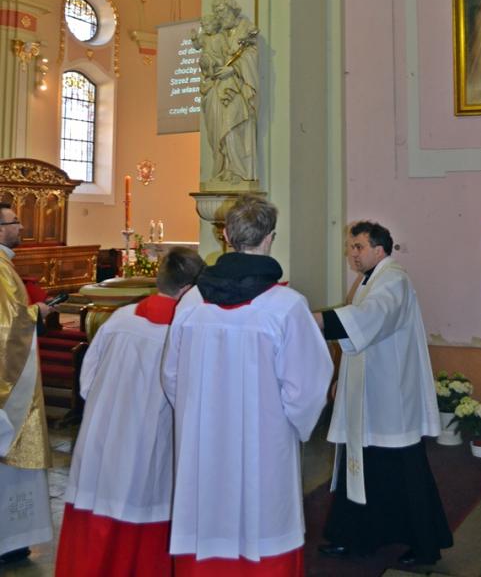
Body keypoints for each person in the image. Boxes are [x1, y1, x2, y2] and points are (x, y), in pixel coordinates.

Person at [162, 195, 334, 576]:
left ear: (225, 236)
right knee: (263, 524)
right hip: (263, 449)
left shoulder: (191, 303)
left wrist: (197, 416)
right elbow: (308, 388)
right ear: (270, 238)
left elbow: (171, 376)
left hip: (202, 448)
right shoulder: (287, 306)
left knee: (205, 521)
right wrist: (288, 427)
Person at [55, 246, 204, 577]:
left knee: (96, 520)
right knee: (143, 516)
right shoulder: (186, 332)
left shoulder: (120, 318)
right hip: (149, 444)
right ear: (189, 289)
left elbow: (87, 381)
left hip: (101, 437)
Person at [315, 220, 453, 567]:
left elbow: (370, 318)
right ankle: (352, 537)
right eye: (350, 246)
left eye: (358, 246)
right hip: (368, 395)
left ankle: (424, 546)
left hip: (391, 399)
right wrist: (342, 378)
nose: (352, 253)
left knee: (403, 473)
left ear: (379, 250)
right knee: (361, 466)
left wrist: (320, 320)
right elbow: (359, 338)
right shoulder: (370, 280)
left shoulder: (394, 280)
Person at [0, 203, 54, 564]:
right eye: (14, 222)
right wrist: (39, 312)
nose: (21, 227)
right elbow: (7, 327)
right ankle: (10, 540)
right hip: (10, 386)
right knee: (13, 454)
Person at [192, 0, 259, 185]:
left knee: (232, 127)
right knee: (218, 132)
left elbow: (251, 56)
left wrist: (233, 69)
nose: (219, 17)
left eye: (222, 12)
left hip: (236, 89)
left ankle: (239, 171)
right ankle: (225, 170)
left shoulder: (246, 29)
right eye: (217, 14)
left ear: (232, 9)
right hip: (216, 88)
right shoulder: (218, 33)